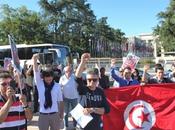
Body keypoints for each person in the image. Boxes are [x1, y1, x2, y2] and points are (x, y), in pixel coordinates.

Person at [75, 53, 110, 130]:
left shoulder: (100, 92)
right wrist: (82, 62)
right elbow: (77, 77)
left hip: (96, 125)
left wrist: (92, 110)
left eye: (94, 80)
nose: (92, 82)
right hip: (83, 126)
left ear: (98, 79)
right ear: (86, 80)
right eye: (89, 80)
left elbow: (106, 109)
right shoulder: (83, 89)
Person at [32, 54, 64, 130]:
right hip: (43, 115)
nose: (49, 78)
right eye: (46, 76)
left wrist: (61, 115)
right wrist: (34, 60)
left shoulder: (57, 86)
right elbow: (36, 72)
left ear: (53, 76)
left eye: (50, 76)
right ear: (43, 77)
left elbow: (61, 101)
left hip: (55, 114)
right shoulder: (40, 84)